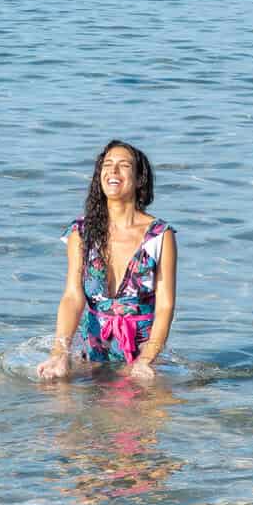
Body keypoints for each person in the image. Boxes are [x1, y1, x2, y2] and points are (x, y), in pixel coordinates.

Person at [38, 140, 176, 382]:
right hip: (91, 350)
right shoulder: (80, 232)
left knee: (147, 409)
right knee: (55, 390)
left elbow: (165, 307)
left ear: (139, 178)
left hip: (142, 352)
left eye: (123, 165)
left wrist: (146, 360)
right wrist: (59, 353)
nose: (113, 171)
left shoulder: (159, 235)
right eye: (107, 165)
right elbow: (72, 296)